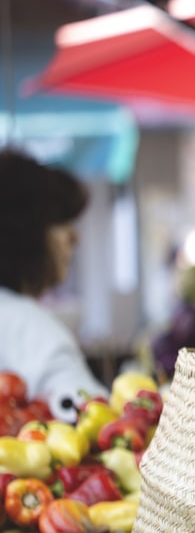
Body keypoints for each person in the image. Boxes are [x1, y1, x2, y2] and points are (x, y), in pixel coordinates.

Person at [0, 148, 109, 421]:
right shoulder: (27, 326)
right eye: (62, 222)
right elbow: (94, 417)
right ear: (25, 232)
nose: (75, 239)